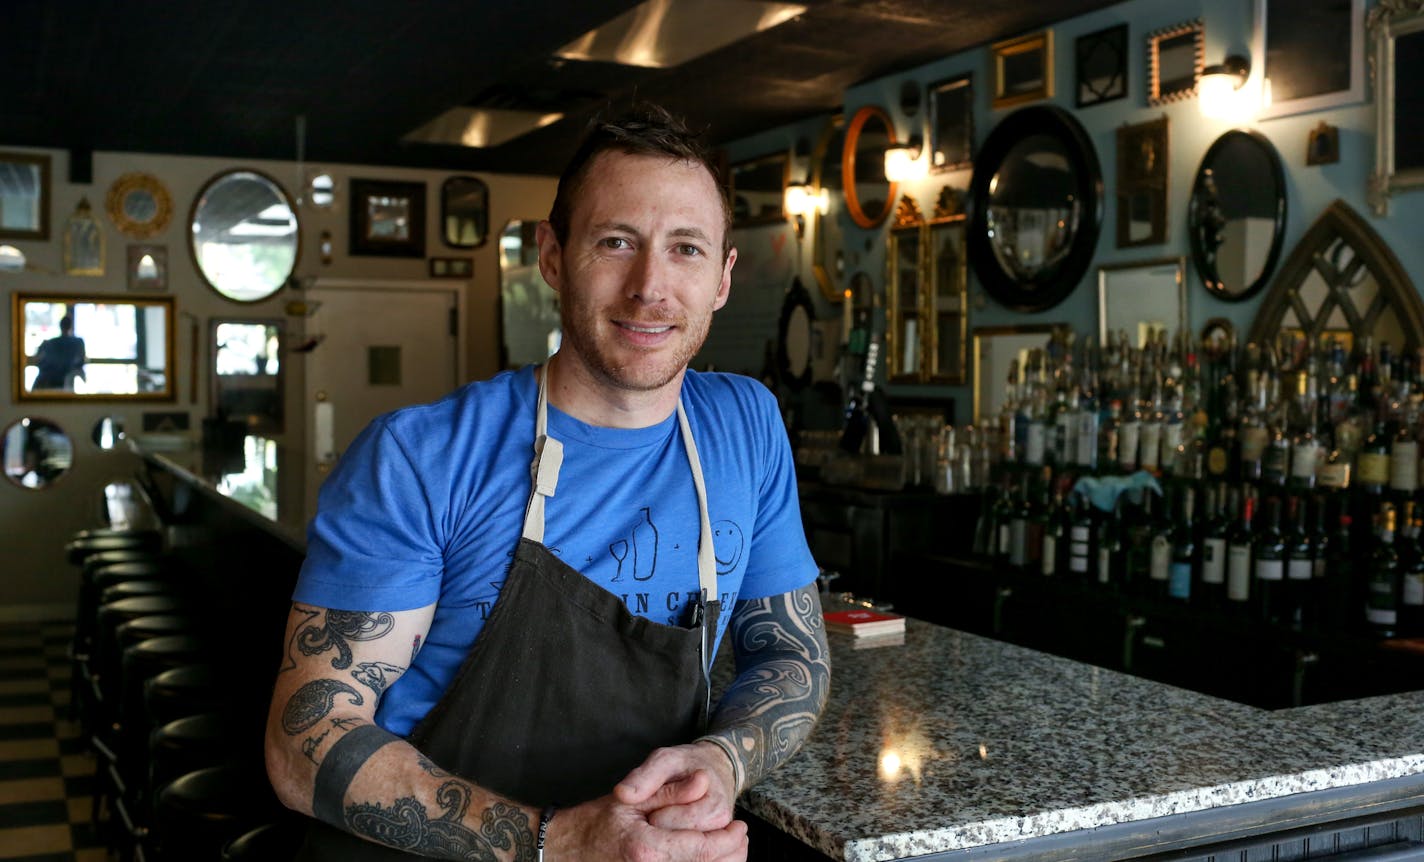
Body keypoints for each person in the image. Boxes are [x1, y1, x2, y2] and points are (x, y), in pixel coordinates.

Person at [265, 104, 831, 862]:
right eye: (616, 242)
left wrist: (723, 760)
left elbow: (792, 657)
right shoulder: (421, 455)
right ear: (554, 256)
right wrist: (556, 843)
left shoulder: (745, 426)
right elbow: (304, 743)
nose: (650, 287)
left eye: (687, 249)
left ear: (723, 277)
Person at [32, 315, 86, 390]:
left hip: (50, 381)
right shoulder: (77, 342)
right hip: (61, 381)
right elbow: (81, 361)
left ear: (60, 326)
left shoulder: (50, 343)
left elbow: (38, 360)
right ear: (70, 326)